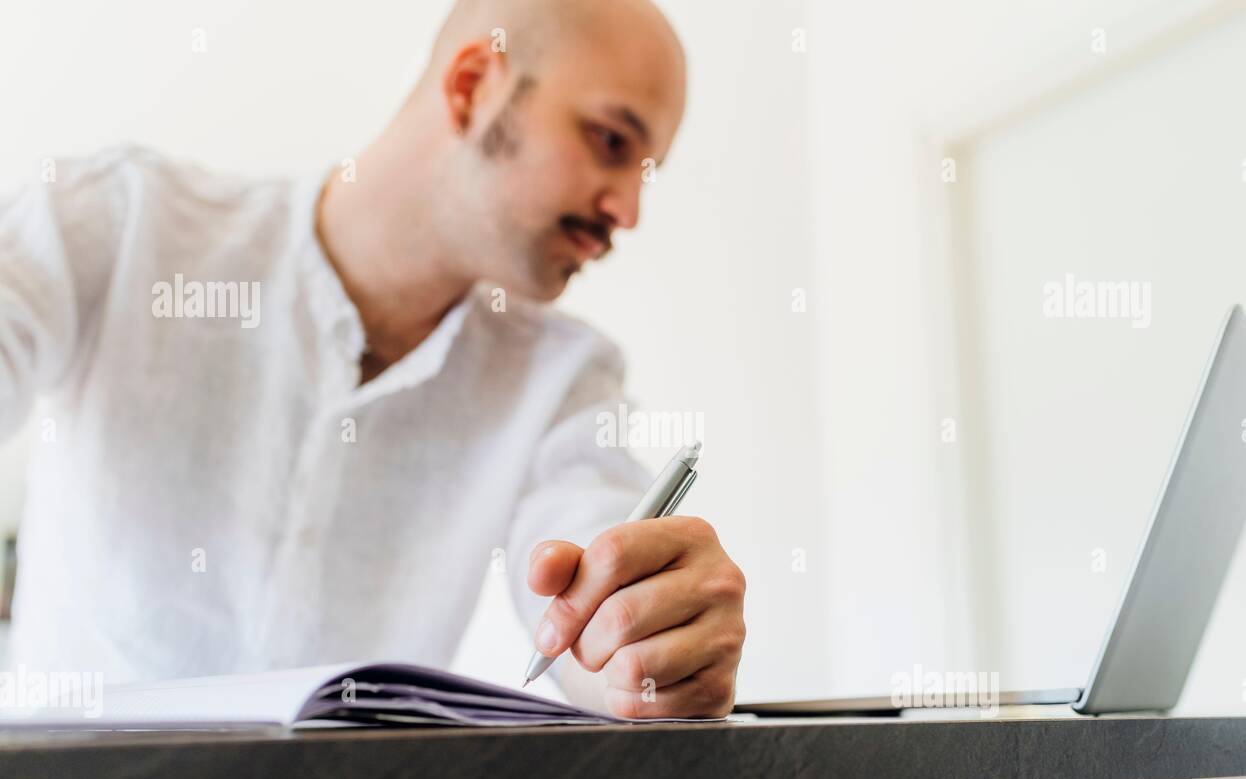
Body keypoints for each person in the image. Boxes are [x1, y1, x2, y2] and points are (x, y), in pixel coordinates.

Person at [0, 0, 746, 718]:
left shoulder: (564, 381)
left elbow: (591, 567)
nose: (628, 211)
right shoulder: (115, 226)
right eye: (612, 142)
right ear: (473, 87)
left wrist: (644, 643)